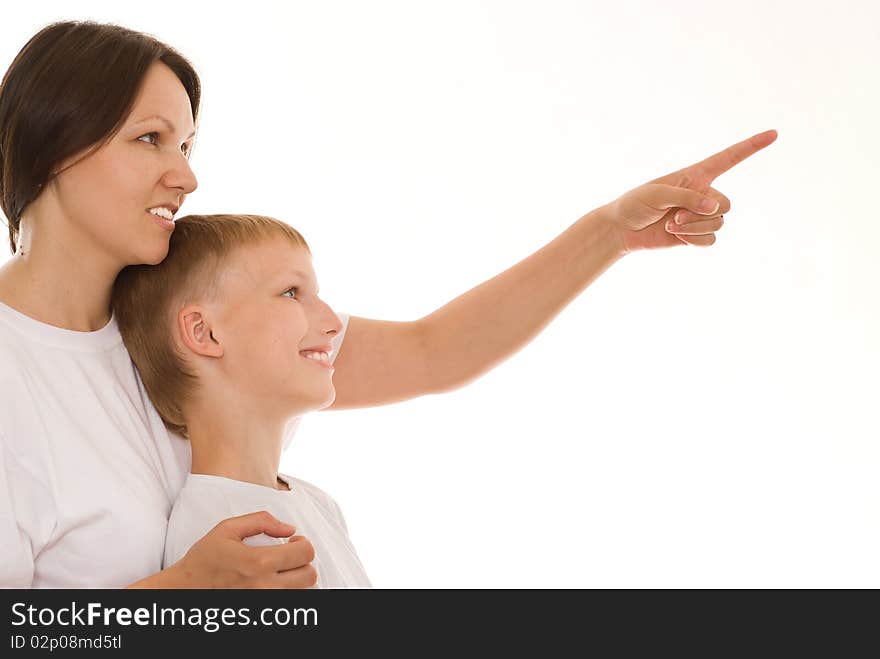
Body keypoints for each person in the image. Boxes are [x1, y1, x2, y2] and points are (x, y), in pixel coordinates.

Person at [0, 20, 776, 588]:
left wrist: (610, 232)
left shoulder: (169, 316)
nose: (187, 177)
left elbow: (432, 351)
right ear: (55, 143)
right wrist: (179, 597)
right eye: (151, 140)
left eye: (189, 146)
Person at [112, 213, 372, 588]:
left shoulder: (319, 505)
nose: (332, 322)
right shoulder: (224, 543)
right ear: (205, 332)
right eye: (291, 293)